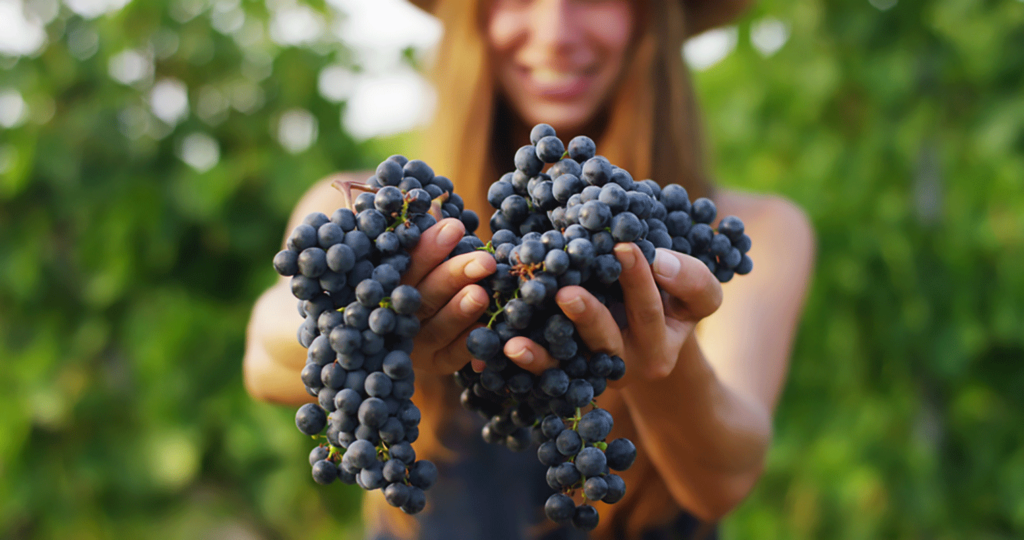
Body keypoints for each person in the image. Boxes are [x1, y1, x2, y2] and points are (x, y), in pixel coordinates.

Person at [244, 0, 815, 538]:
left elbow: (723, 482)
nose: (555, 33)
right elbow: (265, 357)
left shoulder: (738, 234)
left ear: (650, 15)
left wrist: (657, 350)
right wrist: (385, 320)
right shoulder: (372, 210)